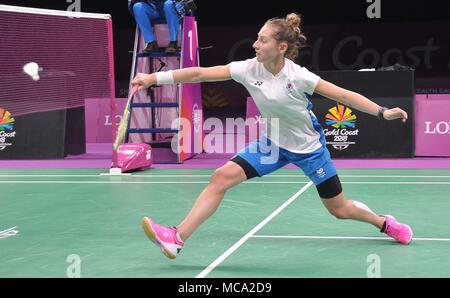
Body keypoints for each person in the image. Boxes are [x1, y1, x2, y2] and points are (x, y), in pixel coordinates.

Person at [132, 13, 413, 260]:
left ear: (282, 47)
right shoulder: (247, 69)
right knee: (220, 177)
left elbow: (342, 94)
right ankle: (176, 237)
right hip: (273, 143)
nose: (255, 44)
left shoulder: (298, 76)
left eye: (263, 40)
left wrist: (382, 112)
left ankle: (383, 223)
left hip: (309, 149)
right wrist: (153, 79)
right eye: (257, 38)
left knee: (339, 209)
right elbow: (199, 74)